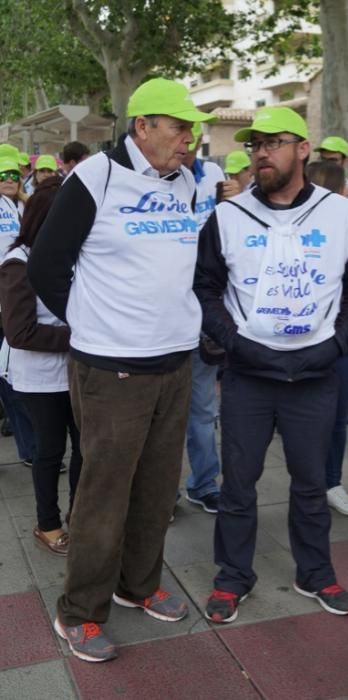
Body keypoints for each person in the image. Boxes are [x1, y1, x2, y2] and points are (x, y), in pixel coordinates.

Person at [28, 77, 215, 662]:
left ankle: (138, 586)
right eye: (179, 127)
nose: (189, 138)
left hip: (175, 363)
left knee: (157, 491)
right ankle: (79, 612)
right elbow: (47, 269)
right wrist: (97, 323)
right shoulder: (94, 178)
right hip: (112, 370)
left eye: (191, 129)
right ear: (143, 126)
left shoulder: (183, 181)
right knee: (103, 497)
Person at [194, 106, 348, 623]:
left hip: (314, 373)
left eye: (274, 142)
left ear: (302, 149)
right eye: (255, 144)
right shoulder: (228, 215)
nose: (261, 152)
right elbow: (205, 285)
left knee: (311, 482)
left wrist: (339, 342)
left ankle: (314, 573)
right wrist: (232, 342)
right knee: (238, 484)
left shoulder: (339, 212)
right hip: (249, 374)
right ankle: (233, 576)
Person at [0, 176, 82, 555]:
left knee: (85, 447)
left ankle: (80, 516)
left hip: (78, 372)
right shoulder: (18, 263)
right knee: (50, 451)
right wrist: (82, 336)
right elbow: (20, 332)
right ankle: (46, 523)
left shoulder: (75, 255)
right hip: (39, 377)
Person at [306, 160, 348, 516]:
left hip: (344, 345)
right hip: (305, 343)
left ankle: (331, 482)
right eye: (345, 187)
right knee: (307, 419)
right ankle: (310, 485)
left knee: (338, 416)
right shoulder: (294, 229)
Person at [180, 124, 225, 515]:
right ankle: (157, 494)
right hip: (155, 323)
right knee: (155, 416)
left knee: (202, 411)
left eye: (189, 136)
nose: (184, 143)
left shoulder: (213, 177)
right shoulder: (140, 185)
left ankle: (204, 483)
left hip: (200, 321)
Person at [0, 155, 36, 462]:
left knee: (11, 378)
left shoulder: (29, 206)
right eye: (2, 174)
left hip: (17, 302)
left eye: (13, 174)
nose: (9, 179)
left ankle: (30, 450)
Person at [315, 136, 348, 218]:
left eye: (332, 160)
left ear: (345, 161)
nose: (327, 164)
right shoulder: (312, 188)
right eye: (323, 159)